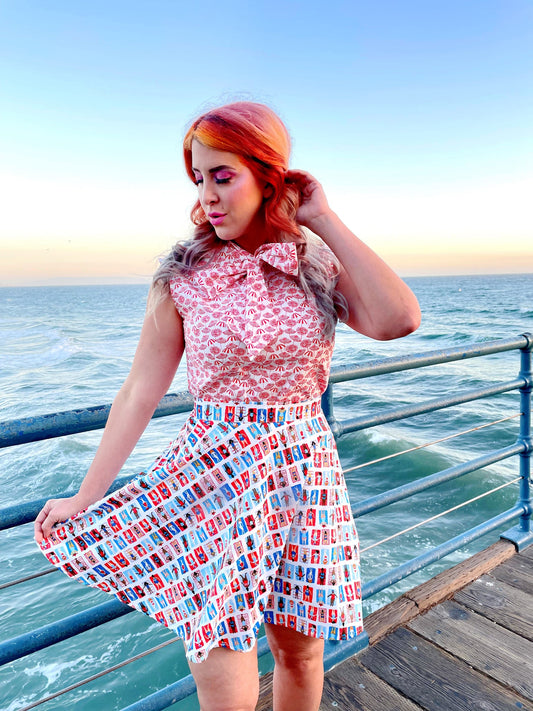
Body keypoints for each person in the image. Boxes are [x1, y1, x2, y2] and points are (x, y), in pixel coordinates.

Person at [34, 101, 421, 711]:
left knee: (301, 654)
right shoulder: (183, 276)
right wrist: (87, 495)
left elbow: (398, 320)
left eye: (223, 175)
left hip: (303, 475)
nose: (208, 196)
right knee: (220, 658)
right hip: (215, 474)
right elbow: (139, 391)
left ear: (268, 177)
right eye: (198, 178)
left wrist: (322, 217)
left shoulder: (316, 263)